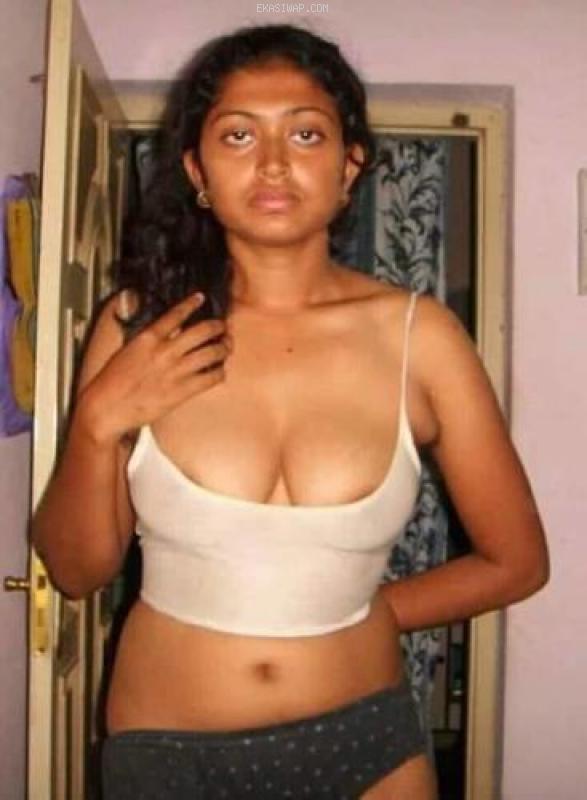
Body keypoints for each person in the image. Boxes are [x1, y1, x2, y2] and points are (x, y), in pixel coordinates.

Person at [32, 23, 549, 800]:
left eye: (304, 133)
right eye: (237, 135)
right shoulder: (141, 325)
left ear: (349, 165)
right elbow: (76, 573)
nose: (273, 162)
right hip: (171, 754)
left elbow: (516, 561)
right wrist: (97, 422)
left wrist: (358, 609)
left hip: (367, 747)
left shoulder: (423, 338)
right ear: (197, 170)